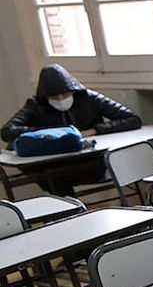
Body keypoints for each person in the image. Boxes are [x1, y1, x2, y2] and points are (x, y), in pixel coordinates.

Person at [2, 64, 141, 196]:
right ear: (45, 97)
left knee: (58, 178)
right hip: (55, 164)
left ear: (73, 90)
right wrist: (52, 133)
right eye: (54, 97)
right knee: (53, 176)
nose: (60, 99)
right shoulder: (36, 105)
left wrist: (95, 130)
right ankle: (68, 211)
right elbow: (7, 131)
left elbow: (132, 119)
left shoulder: (89, 97)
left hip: (91, 159)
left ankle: (68, 208)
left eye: (64, 94)